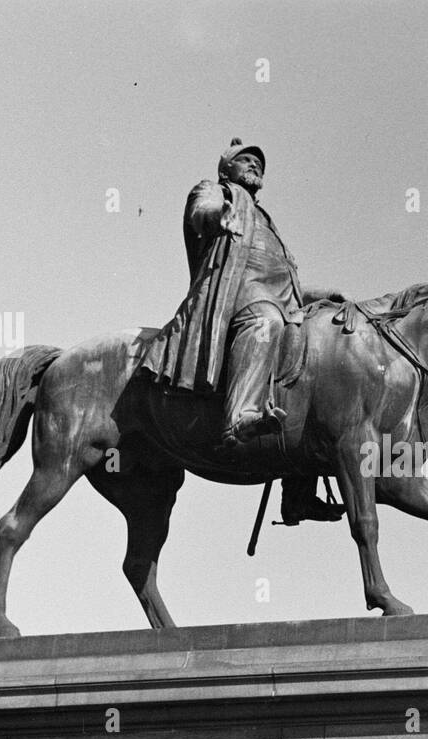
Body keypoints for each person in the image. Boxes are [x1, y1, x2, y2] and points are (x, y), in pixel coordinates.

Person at [142, 138, 344, 522]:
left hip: (281, 303)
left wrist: (327, 294)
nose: (254, 166)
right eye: (245, 160)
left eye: (258, 162)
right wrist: (219, 215)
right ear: (226, 170)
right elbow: (201, 211)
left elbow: (286, 282)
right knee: (264, 322)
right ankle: (239, 417)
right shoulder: (218, 191)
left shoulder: (266, 220)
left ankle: (298, 492)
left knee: (317, 363)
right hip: (239, 298)